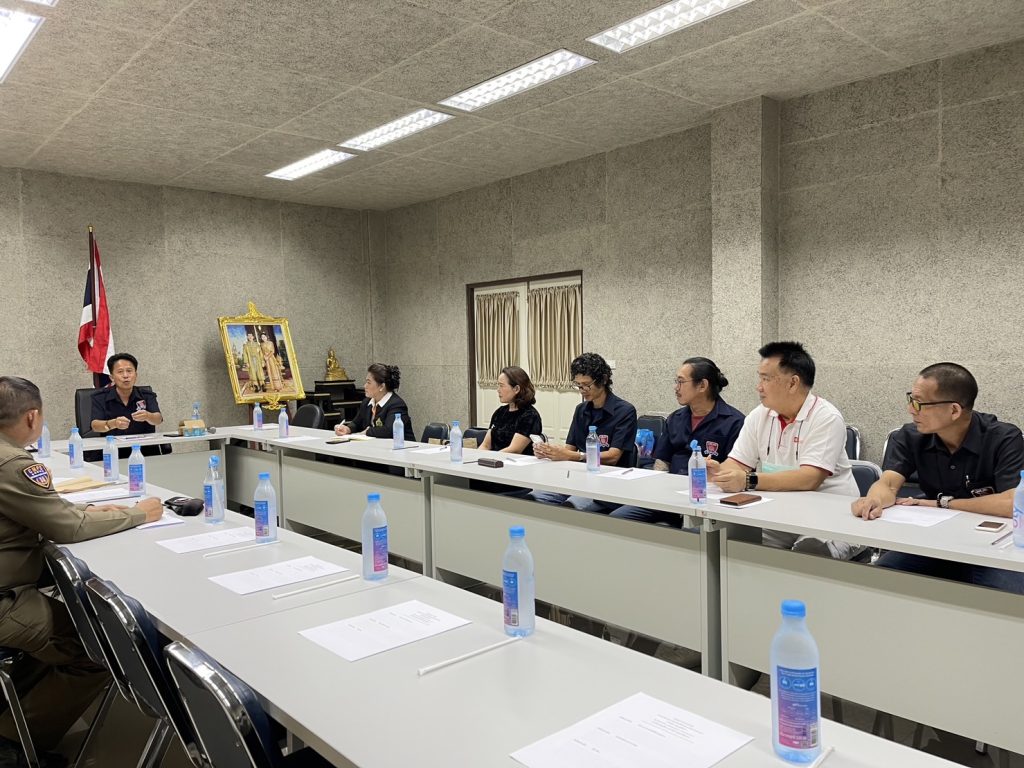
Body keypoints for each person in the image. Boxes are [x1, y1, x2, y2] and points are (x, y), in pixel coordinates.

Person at [0, 376, 162, 766]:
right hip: (5, 603)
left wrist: (85, 510)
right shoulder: (13, 463)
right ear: (32, 417)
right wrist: (138, 513)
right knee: (101, 647)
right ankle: (13, 746)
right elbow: (67, 529)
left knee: (64, 631)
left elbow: (41, 511)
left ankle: (11, 714)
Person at [852, 363, 1024, 592]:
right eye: (910, 399)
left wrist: (942, 504)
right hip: (934, 541)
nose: (911, 409)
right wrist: (874, 499)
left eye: (919, 403)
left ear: (954, 410)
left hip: (991, 548)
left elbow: (1012, 503)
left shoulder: (1003, 438)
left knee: (1008, 596)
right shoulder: (910, 436)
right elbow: (889, 483)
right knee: (880, 579)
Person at [708, 341, 862, 559]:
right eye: (759, 378)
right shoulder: (759, 415)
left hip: (830, 516)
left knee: (810, 552)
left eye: (766, 379)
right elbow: (738, 463)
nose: (759, 387)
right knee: (735, 543)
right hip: (779, 511)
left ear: (792, 383)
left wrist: (748, 480)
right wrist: (719, 473)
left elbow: (809, 479)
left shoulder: (826, 417)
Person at [611, 357, 744, 527]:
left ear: (702, 385)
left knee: (690, 533)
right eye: (676, 382)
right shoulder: (675, 418)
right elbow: (662, 462)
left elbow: (738, 473)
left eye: (681, 382)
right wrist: (657, 489)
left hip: (709, 500)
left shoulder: (734, 422)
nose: (676, 388)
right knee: (617, 520)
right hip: (670, 495)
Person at [530, 352, 637, 512]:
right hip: (579, 476)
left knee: (571, 507)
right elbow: (569, 449)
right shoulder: (581, 410)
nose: (582, 390)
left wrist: (575, 456)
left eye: (586, 385)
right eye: (578, 385)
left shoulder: (625, 411)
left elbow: (613, 457)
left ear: (603, 379)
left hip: (609, 482)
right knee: (534, 498)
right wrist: (550, 452)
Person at [89, 353, 166, 458]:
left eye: (129, 371)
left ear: (136, 375)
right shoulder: (100, 397)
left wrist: (148, 416)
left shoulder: (147, 395)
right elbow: (95, 426)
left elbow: (158, 419)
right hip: (113, 452)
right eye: (120, 372)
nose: (126, 376)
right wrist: (113, 423)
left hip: (145, 452)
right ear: (112, 377)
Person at [335, 364, 414, 441]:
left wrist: (367, 432)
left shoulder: (396, 404)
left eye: (368, 382)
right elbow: (356, 423)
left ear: (382, 386)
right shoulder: (367, 402)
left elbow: (388, 431)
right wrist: (347, 429)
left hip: (401, 447)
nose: (365, 386)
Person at [480, 366, 542, 456]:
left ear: (516, 389)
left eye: (501, 386)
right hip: (495, 460)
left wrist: (490, 458)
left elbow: (514, 450)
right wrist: (475, 457)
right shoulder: (499, 412)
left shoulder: (530, 416)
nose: (498, 390)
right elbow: (485, 445)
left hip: (515, 463)